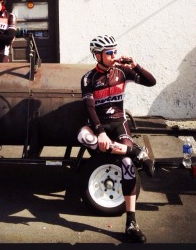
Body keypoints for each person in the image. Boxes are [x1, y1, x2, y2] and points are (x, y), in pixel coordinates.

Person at [77, 35, 156, 244]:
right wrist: (100, 132)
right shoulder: (88, 78)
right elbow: (90, 108)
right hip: (100, 126)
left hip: (119, 124)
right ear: (98, 55)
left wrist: (136, 65)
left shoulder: (123, 71)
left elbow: (151, 82)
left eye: (114, 51)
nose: (114, 56)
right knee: (82, 135)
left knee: (128, 165)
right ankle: (138, 153)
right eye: (109, 53)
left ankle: (131, 222)